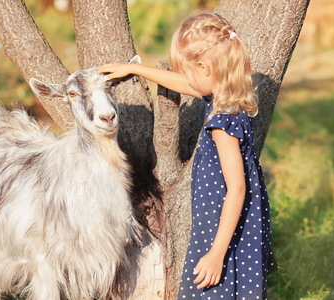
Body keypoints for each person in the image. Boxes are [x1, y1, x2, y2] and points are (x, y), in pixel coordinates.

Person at [98, 12, 277, 299]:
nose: (187, 78)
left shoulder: (222, 121)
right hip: (223, 219)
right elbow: (185, 84)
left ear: (206, 68)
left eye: (189, 70)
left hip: (222, 223)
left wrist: (217, 253)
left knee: (212, 287)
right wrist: (133, 69)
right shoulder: (222, 97)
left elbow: (237, 189)